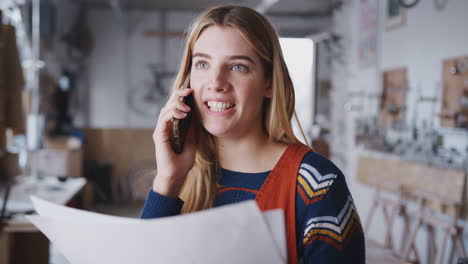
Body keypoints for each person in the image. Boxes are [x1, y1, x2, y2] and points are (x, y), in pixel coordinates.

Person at [140, 5, 365, 263]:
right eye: (202, 63)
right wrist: (167, 181)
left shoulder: (317, 184)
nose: (216, 82)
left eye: (238, 67)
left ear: (269, 83)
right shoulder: (180, 175)